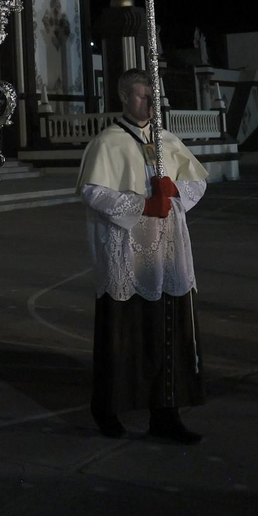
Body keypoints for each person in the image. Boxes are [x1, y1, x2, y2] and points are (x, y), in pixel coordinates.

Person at [76, 68, 210, 443]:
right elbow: (94, 192)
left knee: (167, 333)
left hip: (167, 255)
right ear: (122, 96)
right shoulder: (108, 143)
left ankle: (165, 413)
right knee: (123, 333)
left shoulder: (167, 140)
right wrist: (142, 204)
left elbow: (197, 180)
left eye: (152, 96)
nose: (148, 102)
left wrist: (177, 190)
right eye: (139, 95)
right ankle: (108, 408)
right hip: (126, 256)